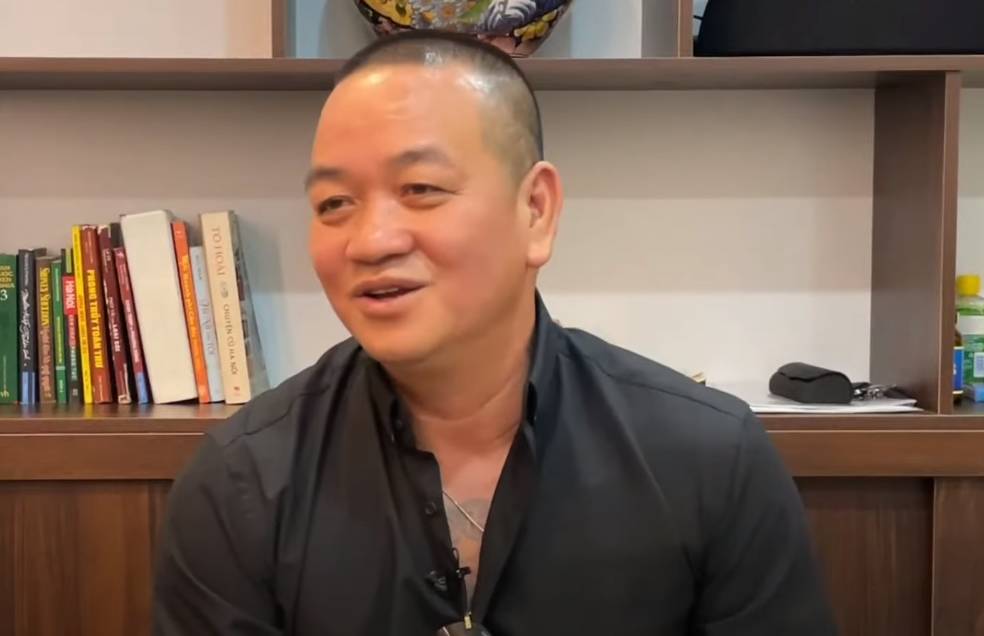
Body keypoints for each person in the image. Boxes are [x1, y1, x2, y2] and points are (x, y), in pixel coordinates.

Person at [153, 31, 837, 636]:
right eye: (334, 203)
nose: (371, 240)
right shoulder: (241, 481)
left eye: (421, 188)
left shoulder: (711, 459)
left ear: (535, 211)